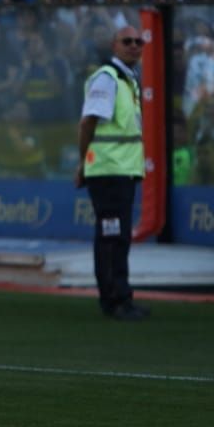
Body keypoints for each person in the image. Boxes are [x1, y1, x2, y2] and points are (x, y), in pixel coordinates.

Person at [76, 24, 150, 321]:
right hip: (108, 170)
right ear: (114, 45)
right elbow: (88, 122)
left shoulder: (125, 79)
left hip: (120, 170)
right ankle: (115, 299)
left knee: (116, 236)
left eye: (139, 41)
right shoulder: (107, 79)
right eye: (127, 41)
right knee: (112, 236)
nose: (134, 46)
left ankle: (119, 296)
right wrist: (84, 162)